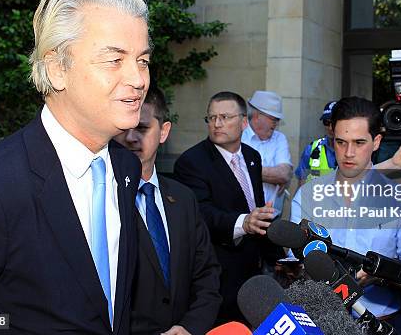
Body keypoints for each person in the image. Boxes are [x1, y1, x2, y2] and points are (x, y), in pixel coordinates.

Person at [0, 0, 148, 333]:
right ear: (57, 69)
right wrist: (13, 325)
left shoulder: (127, 168)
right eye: (114, 60)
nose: (138, 79)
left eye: (142, 60)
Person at [290, 97, 401, 319]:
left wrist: (378, 275)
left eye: (359, 142)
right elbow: (295, 261)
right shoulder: (307, 196)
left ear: (377, 142)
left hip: (380, 322)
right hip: (319, 320)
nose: (349, 152)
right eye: (341, 142)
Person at [115, 86, 222, 335]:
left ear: (163, 132)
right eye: (123, 128)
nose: (131, 137)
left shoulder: (183, 198)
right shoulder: (101, 199)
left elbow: (207, 274)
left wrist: (189, 327)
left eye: (142, 128)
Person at [173, 91, 283, 324]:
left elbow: (258, 211)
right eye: (211, 118)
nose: (217, 124)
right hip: (219, 275)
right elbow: (201, 214)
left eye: (225, 117)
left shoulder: (252, 157)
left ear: (244, 122)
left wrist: (278, 259)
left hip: (255, 273)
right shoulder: (192, 162)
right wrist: (243, 222)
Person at [241, 91, 292, 216]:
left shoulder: (280, 138)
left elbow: (284, 174)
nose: (276, 123)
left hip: (272, 218)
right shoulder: (239, 136)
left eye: (277, 119)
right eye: (273, 118)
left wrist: (246, 170)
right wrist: (272, 176)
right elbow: (231, 170)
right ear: (257, 115)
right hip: (243, 217)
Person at [295, 101, 338, 185]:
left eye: (334, 123)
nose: (330, 127)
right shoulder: (311, 149)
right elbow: (302, 184)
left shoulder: (353, 151)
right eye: (326, 122)